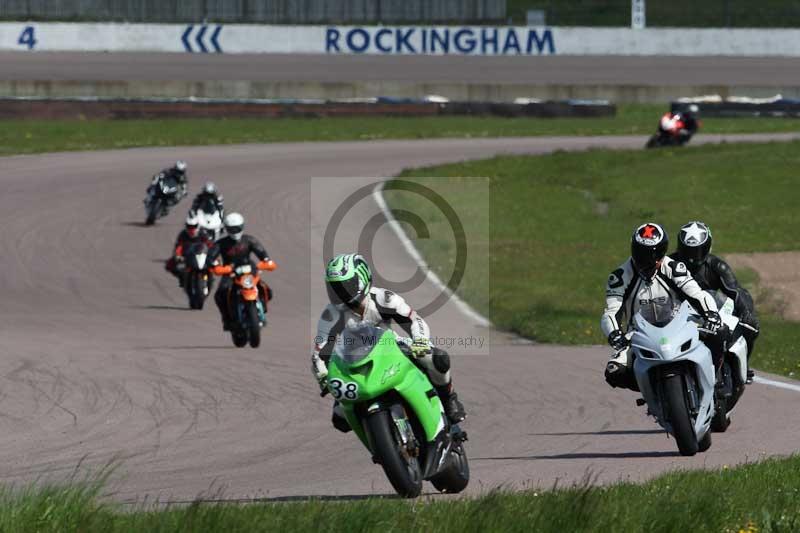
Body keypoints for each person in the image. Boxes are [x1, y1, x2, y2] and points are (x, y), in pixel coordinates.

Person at [311, 253, 466, 432]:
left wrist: (421, 341)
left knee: (437, 359)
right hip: (354, 365)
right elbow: (320, 352)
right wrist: (323, 376)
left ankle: (449, 400)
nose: (340, 293)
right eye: (335, 288)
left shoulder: (384, 299)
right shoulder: (331, 315)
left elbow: (414, 320)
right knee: (340, 418)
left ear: (362, 280)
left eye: (346, 286)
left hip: (392, 348)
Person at [601, 222, 724, 390]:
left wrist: (711, 314)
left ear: (663, 252)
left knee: (718, 333)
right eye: (642, 254)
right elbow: (611, 311)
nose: (648, 261)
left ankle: (715, 380)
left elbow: (696, 293)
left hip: (679, 326)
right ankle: (654, 393)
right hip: (638, 335)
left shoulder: (673, 268)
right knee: (615, 372)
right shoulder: (620, 277)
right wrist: (614, 333)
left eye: (654, 255)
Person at [673, 221, 759, 382]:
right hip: (678, 316)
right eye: (688, 251)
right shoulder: (669, 264)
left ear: (707, 248)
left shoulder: (717, 266)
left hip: (712, 314)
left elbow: (736, 291)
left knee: (752, 326)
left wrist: (746, 312)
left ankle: (743, 366)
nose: (692, 258)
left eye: (697, 251)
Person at [209, 212, 273, 330]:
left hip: (249, 270)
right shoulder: (221, 243)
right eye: (231, 229)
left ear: (242, 227)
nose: (234, 232)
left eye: (237, 228)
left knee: (266, 289)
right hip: (230, 272)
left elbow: (261, 251)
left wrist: (266, 261)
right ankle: (227, 319)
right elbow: (211, 256)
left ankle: (262, 309)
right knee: (220, 294)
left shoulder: (249, 240)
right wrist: (216, 265)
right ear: (227, 229)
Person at [165, 214, 215, 287]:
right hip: (188, 255)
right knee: (170, 264)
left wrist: (212, 255)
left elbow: (211, 245)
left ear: (198, 226)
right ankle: (182, 278)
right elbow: (179, 247)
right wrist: (178, 256)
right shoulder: (183, 234)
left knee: (213, 264)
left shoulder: (203, 233)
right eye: (189, 226)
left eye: (194, 226)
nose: (191, 229)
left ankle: (209, 278)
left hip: (202, 255)